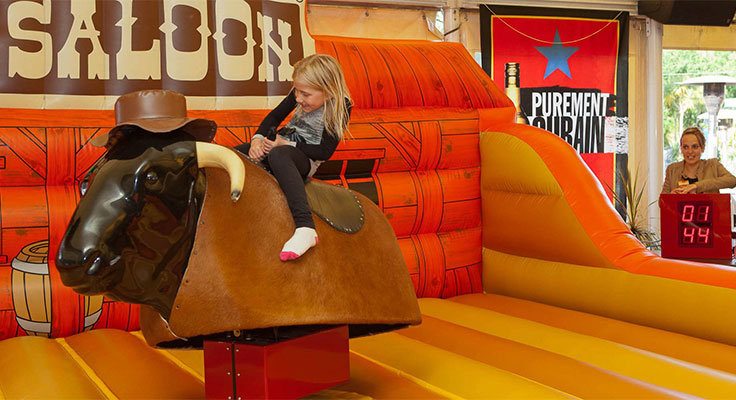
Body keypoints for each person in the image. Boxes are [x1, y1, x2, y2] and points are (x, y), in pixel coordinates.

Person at [235, 54, 352, 261]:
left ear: (328, 91)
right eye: (296, 91)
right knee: (234, 153)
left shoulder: (341, 106)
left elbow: (324, 152)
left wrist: (285, 144)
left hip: (305, 157)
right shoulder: (299, 92)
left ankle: (305, 226)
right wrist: (257, 141)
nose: (298, 98)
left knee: (279, 154)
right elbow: (274, 116)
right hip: (282, 143)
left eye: (305, 95)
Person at [662, 127, 736, 194]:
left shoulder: (713, 165)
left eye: (695, 147)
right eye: (685, 147)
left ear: (703, 148)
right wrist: (670, 197)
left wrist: (697, 186)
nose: (690, 151)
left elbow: (732, 181)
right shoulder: (672, 170)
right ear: (681, 149)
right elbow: (661, 202)